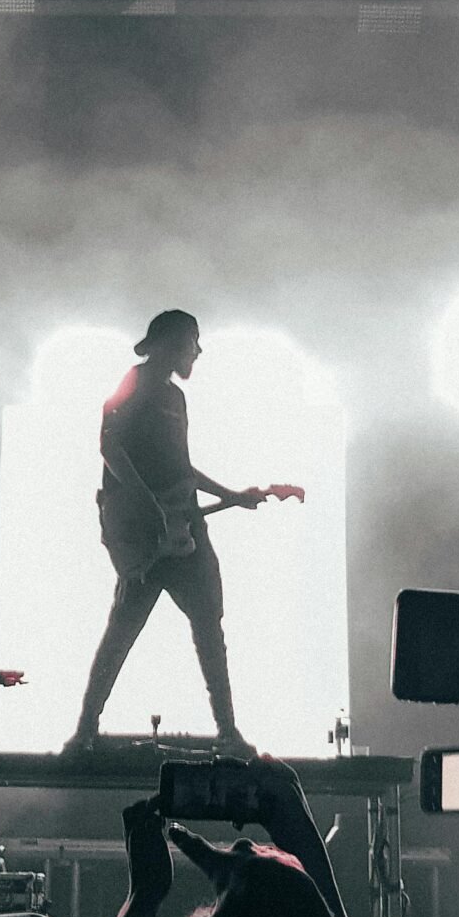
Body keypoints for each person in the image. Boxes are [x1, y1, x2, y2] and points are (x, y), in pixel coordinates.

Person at [66, 309, 282, 750]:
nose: (198, 352)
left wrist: (233, 494)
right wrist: (149, 507)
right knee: (123, 630)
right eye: (193, 342)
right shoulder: (135, 382)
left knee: (208, 627)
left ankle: (228, 730)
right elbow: (110, 446)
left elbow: (182, 470)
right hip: (151, 535)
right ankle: (86, 727)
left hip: (183, 529)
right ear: (169, 342)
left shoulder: (176, 398)